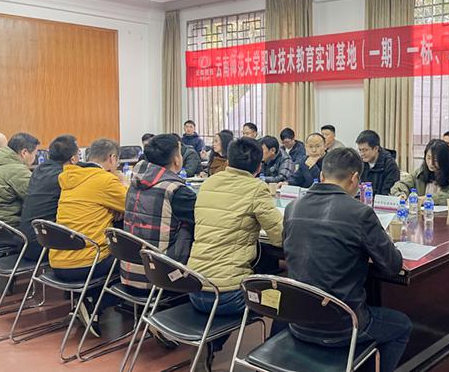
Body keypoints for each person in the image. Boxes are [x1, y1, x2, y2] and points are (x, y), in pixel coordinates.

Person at [283, 148, 411, 372]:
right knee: (402, 326)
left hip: (297, 319)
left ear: (322, 175)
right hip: (343, 325)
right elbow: (392, 266)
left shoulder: (293, 208)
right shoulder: (360, 212)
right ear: (355, 179)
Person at [188, 137, 283, 363]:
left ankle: (212, 343)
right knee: (285, 299)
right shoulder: (256, 188)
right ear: (259, 168)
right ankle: (275, 360)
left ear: (228, 161)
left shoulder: (208, 183)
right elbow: (280, 237)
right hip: (229, 297)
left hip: (193, 287)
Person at [53, 138, 128, 337]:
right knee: (133, 261)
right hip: (86, 262)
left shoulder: (70, 177)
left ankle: (85, 303)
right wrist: (123, 182)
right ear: (112, 158)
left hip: (58, 260)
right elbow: (134, 204)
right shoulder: (105, 180)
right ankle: (94, 303)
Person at [122, 134, 196, 291]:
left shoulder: (134, 183)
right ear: (176, 160)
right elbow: (203, 221)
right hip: (162, 279)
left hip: (129, 272)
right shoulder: (176, 191)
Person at [19, 135, 79, 261]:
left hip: (25, 241)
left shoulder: (38, 170)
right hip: (44, 245)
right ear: (73, 159)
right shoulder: (65, 177)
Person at [391, 139, 449, 205]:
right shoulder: (420, 172)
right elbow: (400, 185)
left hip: (445, 214)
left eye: (436, 160)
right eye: (429, 158)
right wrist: (401, 195)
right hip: (422, 213)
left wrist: (429, 199)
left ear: (444, 160)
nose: (431, 163)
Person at [356, 130, 400, 196]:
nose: (362, 154)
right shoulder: (359, 162)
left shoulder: (390, 165)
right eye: (360, 150)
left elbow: (388, 193)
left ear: (376, 148)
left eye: (365, 150)